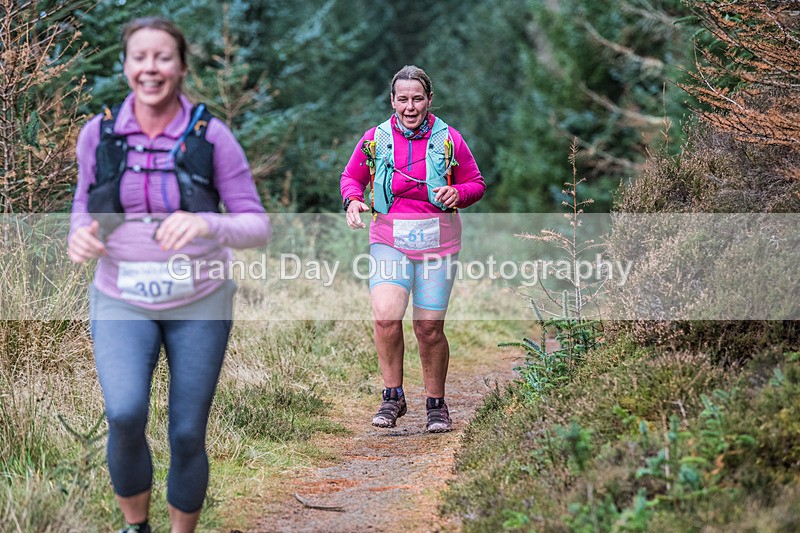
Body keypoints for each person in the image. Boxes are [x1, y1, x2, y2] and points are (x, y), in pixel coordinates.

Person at [67, 17, 270, 533]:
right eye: (140, 57)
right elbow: (81, 209)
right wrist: (80, 236)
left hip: (198, 301)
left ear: (181, 67)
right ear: (126, 65)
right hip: (121, 297)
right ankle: (136, 527)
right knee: (126, 413)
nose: (150, 68)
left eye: (162, 58)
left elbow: (256, 225)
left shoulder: (211, 135)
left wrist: (205, 221)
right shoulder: (101, 133)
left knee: (185, 433)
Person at [340, 65, 486, 433]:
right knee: (386, 316)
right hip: (390, 239)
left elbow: (476, 183)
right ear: (392, 101)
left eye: (417, 98)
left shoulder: (449, 138)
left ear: (429, 100)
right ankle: (393, 397)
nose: (410, 106)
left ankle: (436, 405)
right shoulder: (375, 139)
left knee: (428, 328)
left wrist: (459, 193)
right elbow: (351, 177)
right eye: (402, 99)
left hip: (440, 242)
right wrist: (353, 201)